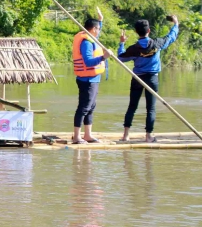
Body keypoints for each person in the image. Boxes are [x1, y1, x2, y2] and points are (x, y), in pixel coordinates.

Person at [117, 15, 179, 143]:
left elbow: (121, 58)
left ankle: (125, 135)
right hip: (152, 79)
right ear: (149, 30)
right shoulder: (157, 43)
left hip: (137, 79)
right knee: (150, 108)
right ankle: (148, 136)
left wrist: (122, 43)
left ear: (136, 32)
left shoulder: (134, 49)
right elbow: (171, 37)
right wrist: (176, 23)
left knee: (132, 106)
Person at [72, 9, 111, 144]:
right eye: (98, 28)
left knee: (91, 107)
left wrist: (101, 19)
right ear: (93, 29)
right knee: (84, 107)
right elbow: (88, 61)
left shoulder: (92, 37)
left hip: (94, 78)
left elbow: (97, 31)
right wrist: (103, 57)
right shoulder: (86, 42)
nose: (99, 30)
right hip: (86, 80)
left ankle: (87, 134)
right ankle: (77, 137)